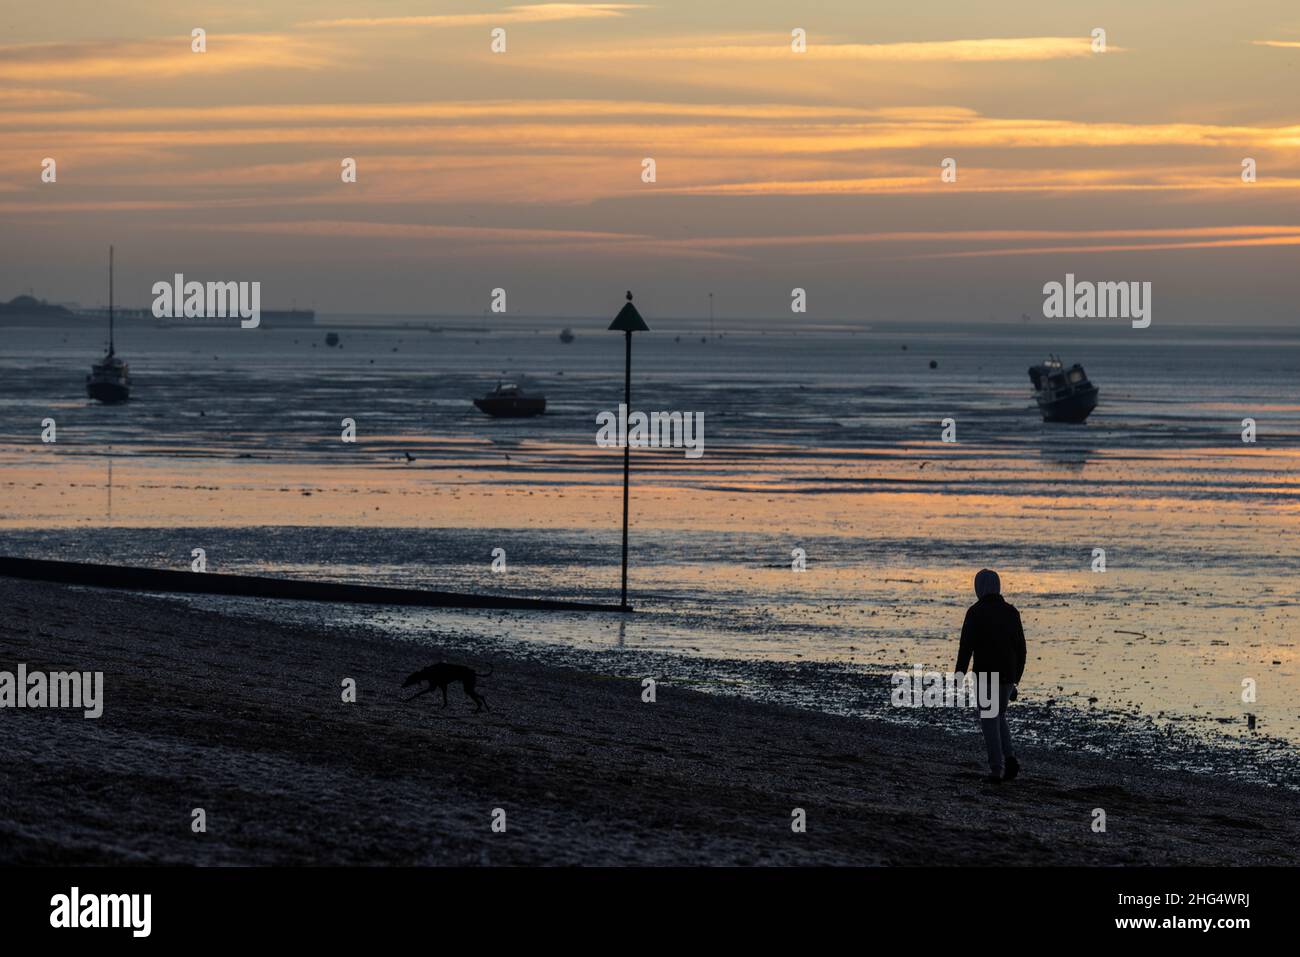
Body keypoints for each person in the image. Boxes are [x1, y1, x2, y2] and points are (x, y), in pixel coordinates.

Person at [955, 569, 1026, 783]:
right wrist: (1016, 680)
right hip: (1006, 674)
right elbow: (1021, 649)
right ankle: (1010, 758)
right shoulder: (1011, 612)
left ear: (979, 587)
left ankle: (997, 770)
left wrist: (959, 675)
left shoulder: (975, 612)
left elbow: (965, 647)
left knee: (989, 720)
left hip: (986, 674)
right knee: (999, 716)